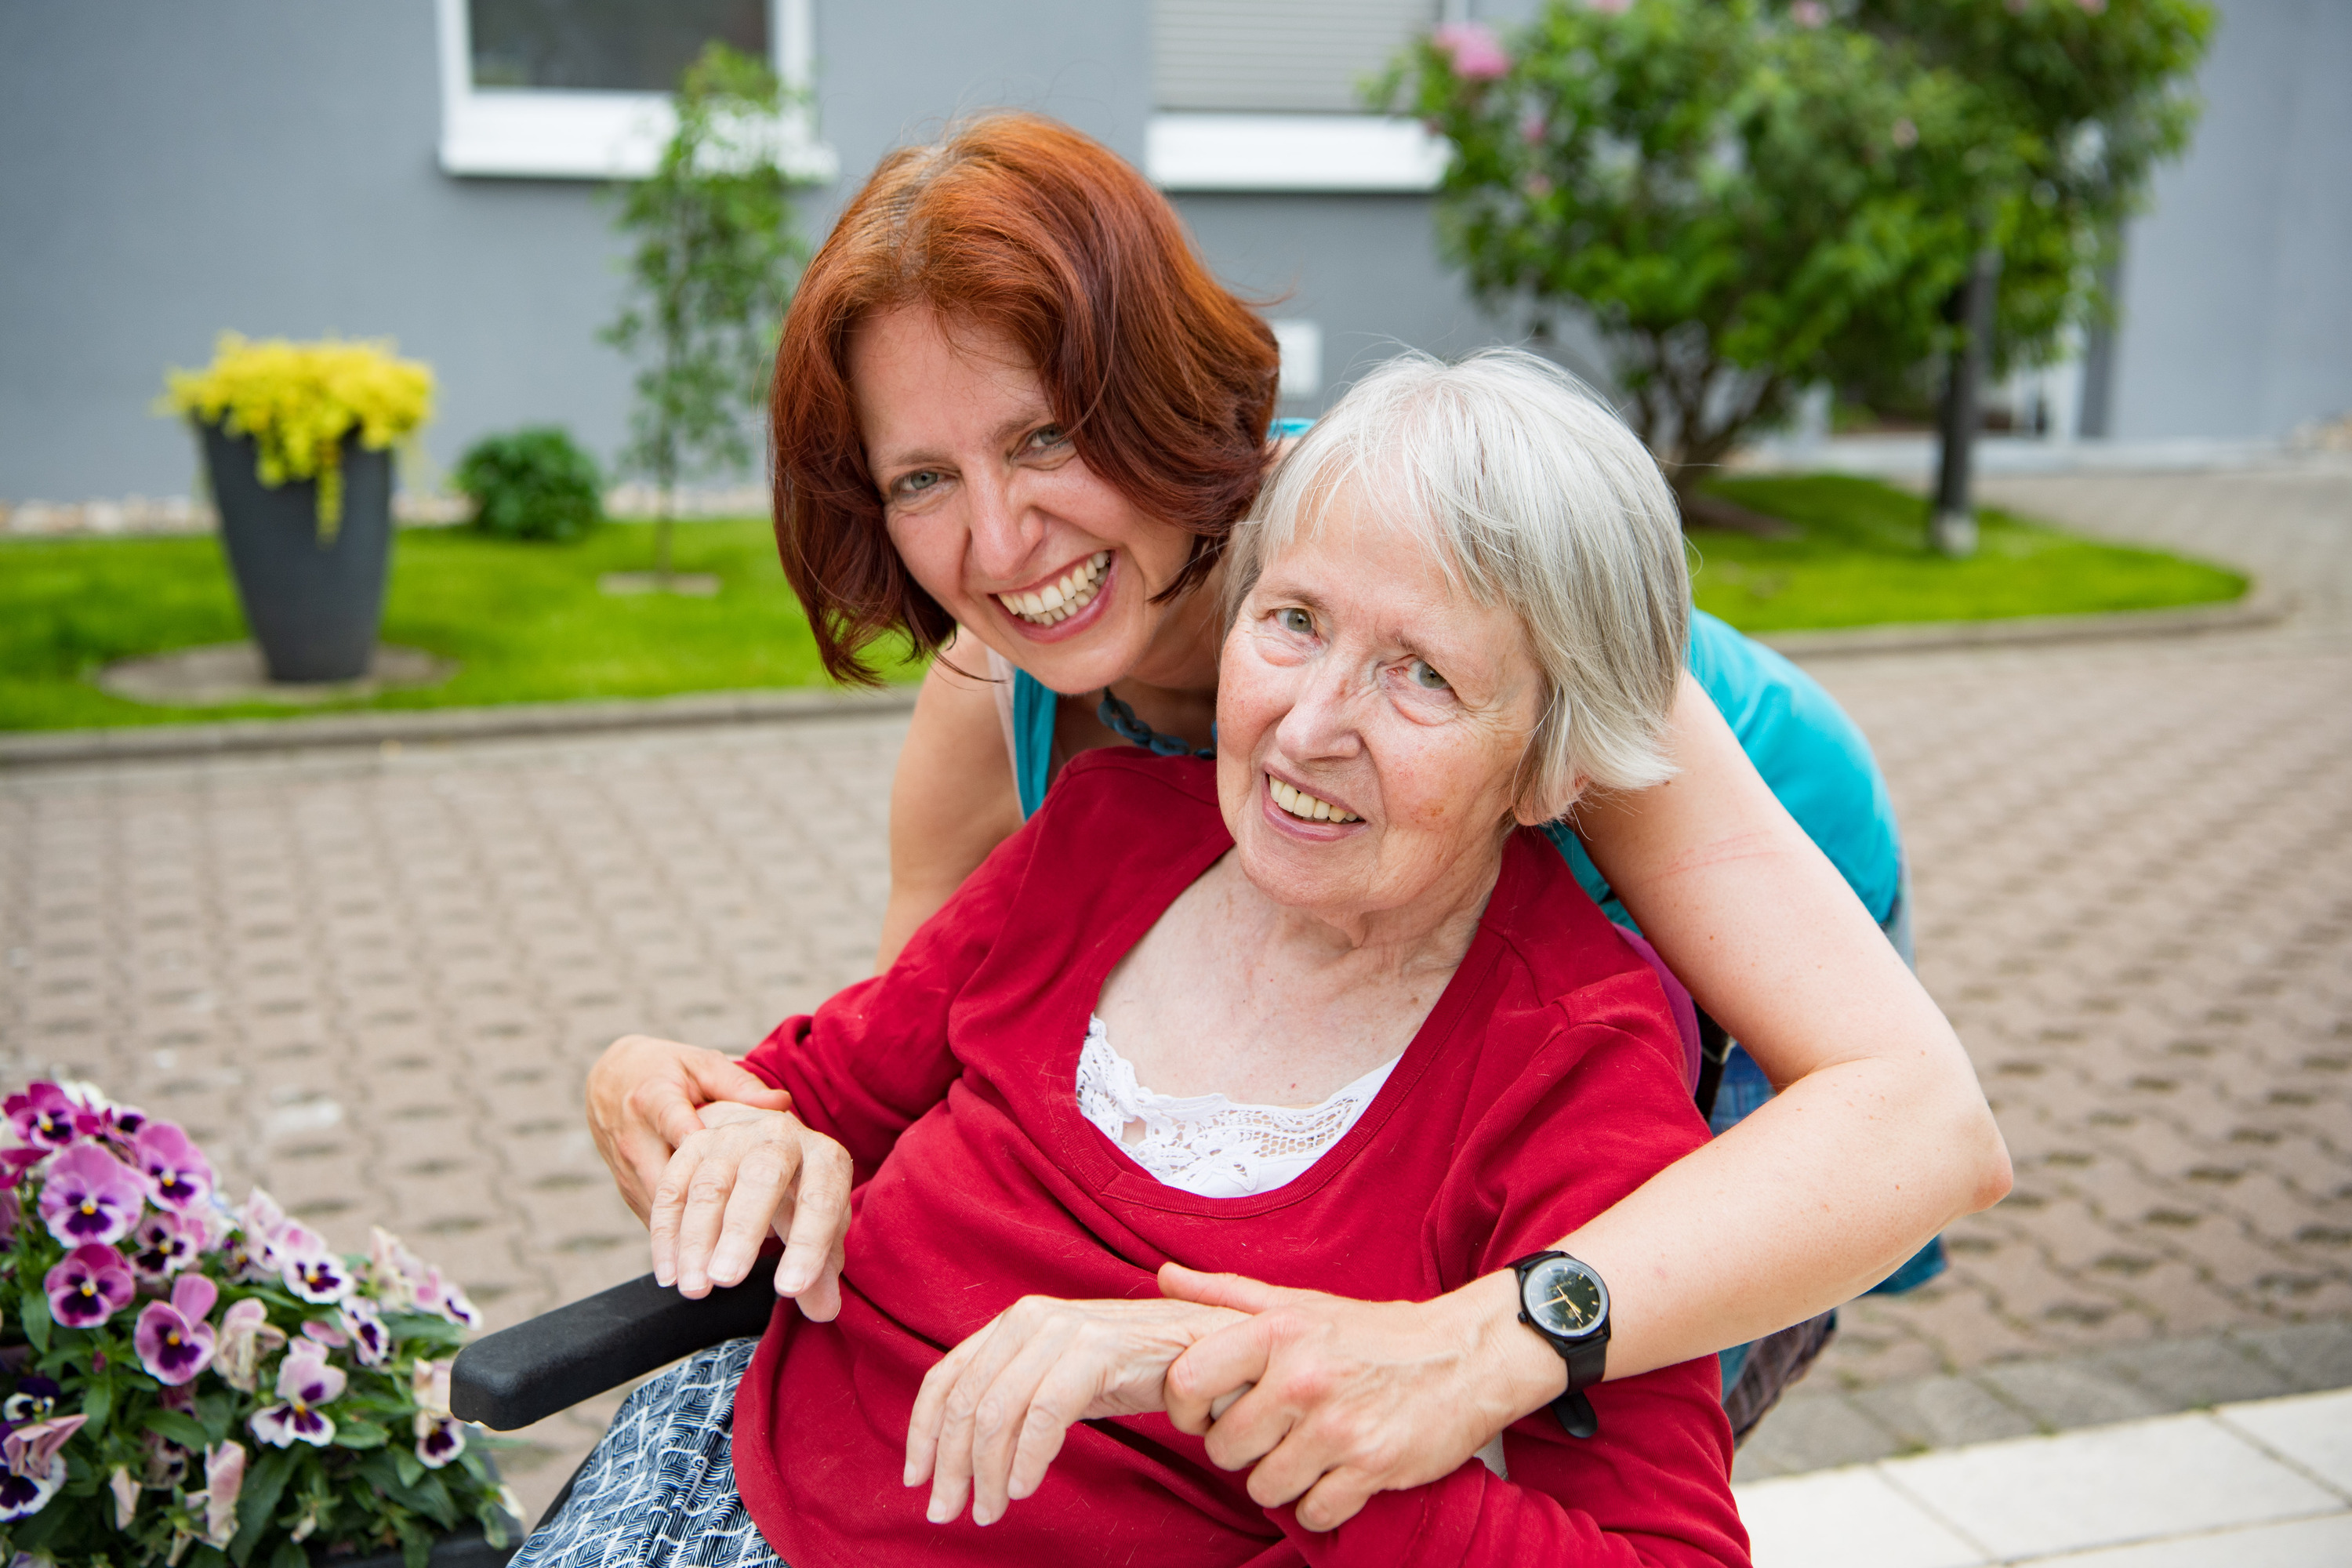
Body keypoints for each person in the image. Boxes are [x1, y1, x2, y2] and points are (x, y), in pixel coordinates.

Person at [586, 112, 2009, 1528]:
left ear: (1157, 391)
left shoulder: (1430, 578)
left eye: (1049, 435)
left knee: (1479, 1430)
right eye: (923, 480)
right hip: (1396, 971)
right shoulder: (997, 679)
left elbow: (1926, 1124)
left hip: (1731, 948)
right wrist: (704, 1107)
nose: (1003, 544)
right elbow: (910, 1086)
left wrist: (1484, 1342)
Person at [524, 350, 1748, 1568]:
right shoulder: (1103, 833)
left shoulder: (1573, 1064)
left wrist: (1261, 1405)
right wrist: (705, 1114)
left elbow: (1665, 1554)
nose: (1307, 727)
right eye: (1295, 622)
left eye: (1420, 673)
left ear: (1554, 762)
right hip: (724, 1476)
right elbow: (814, 1094)